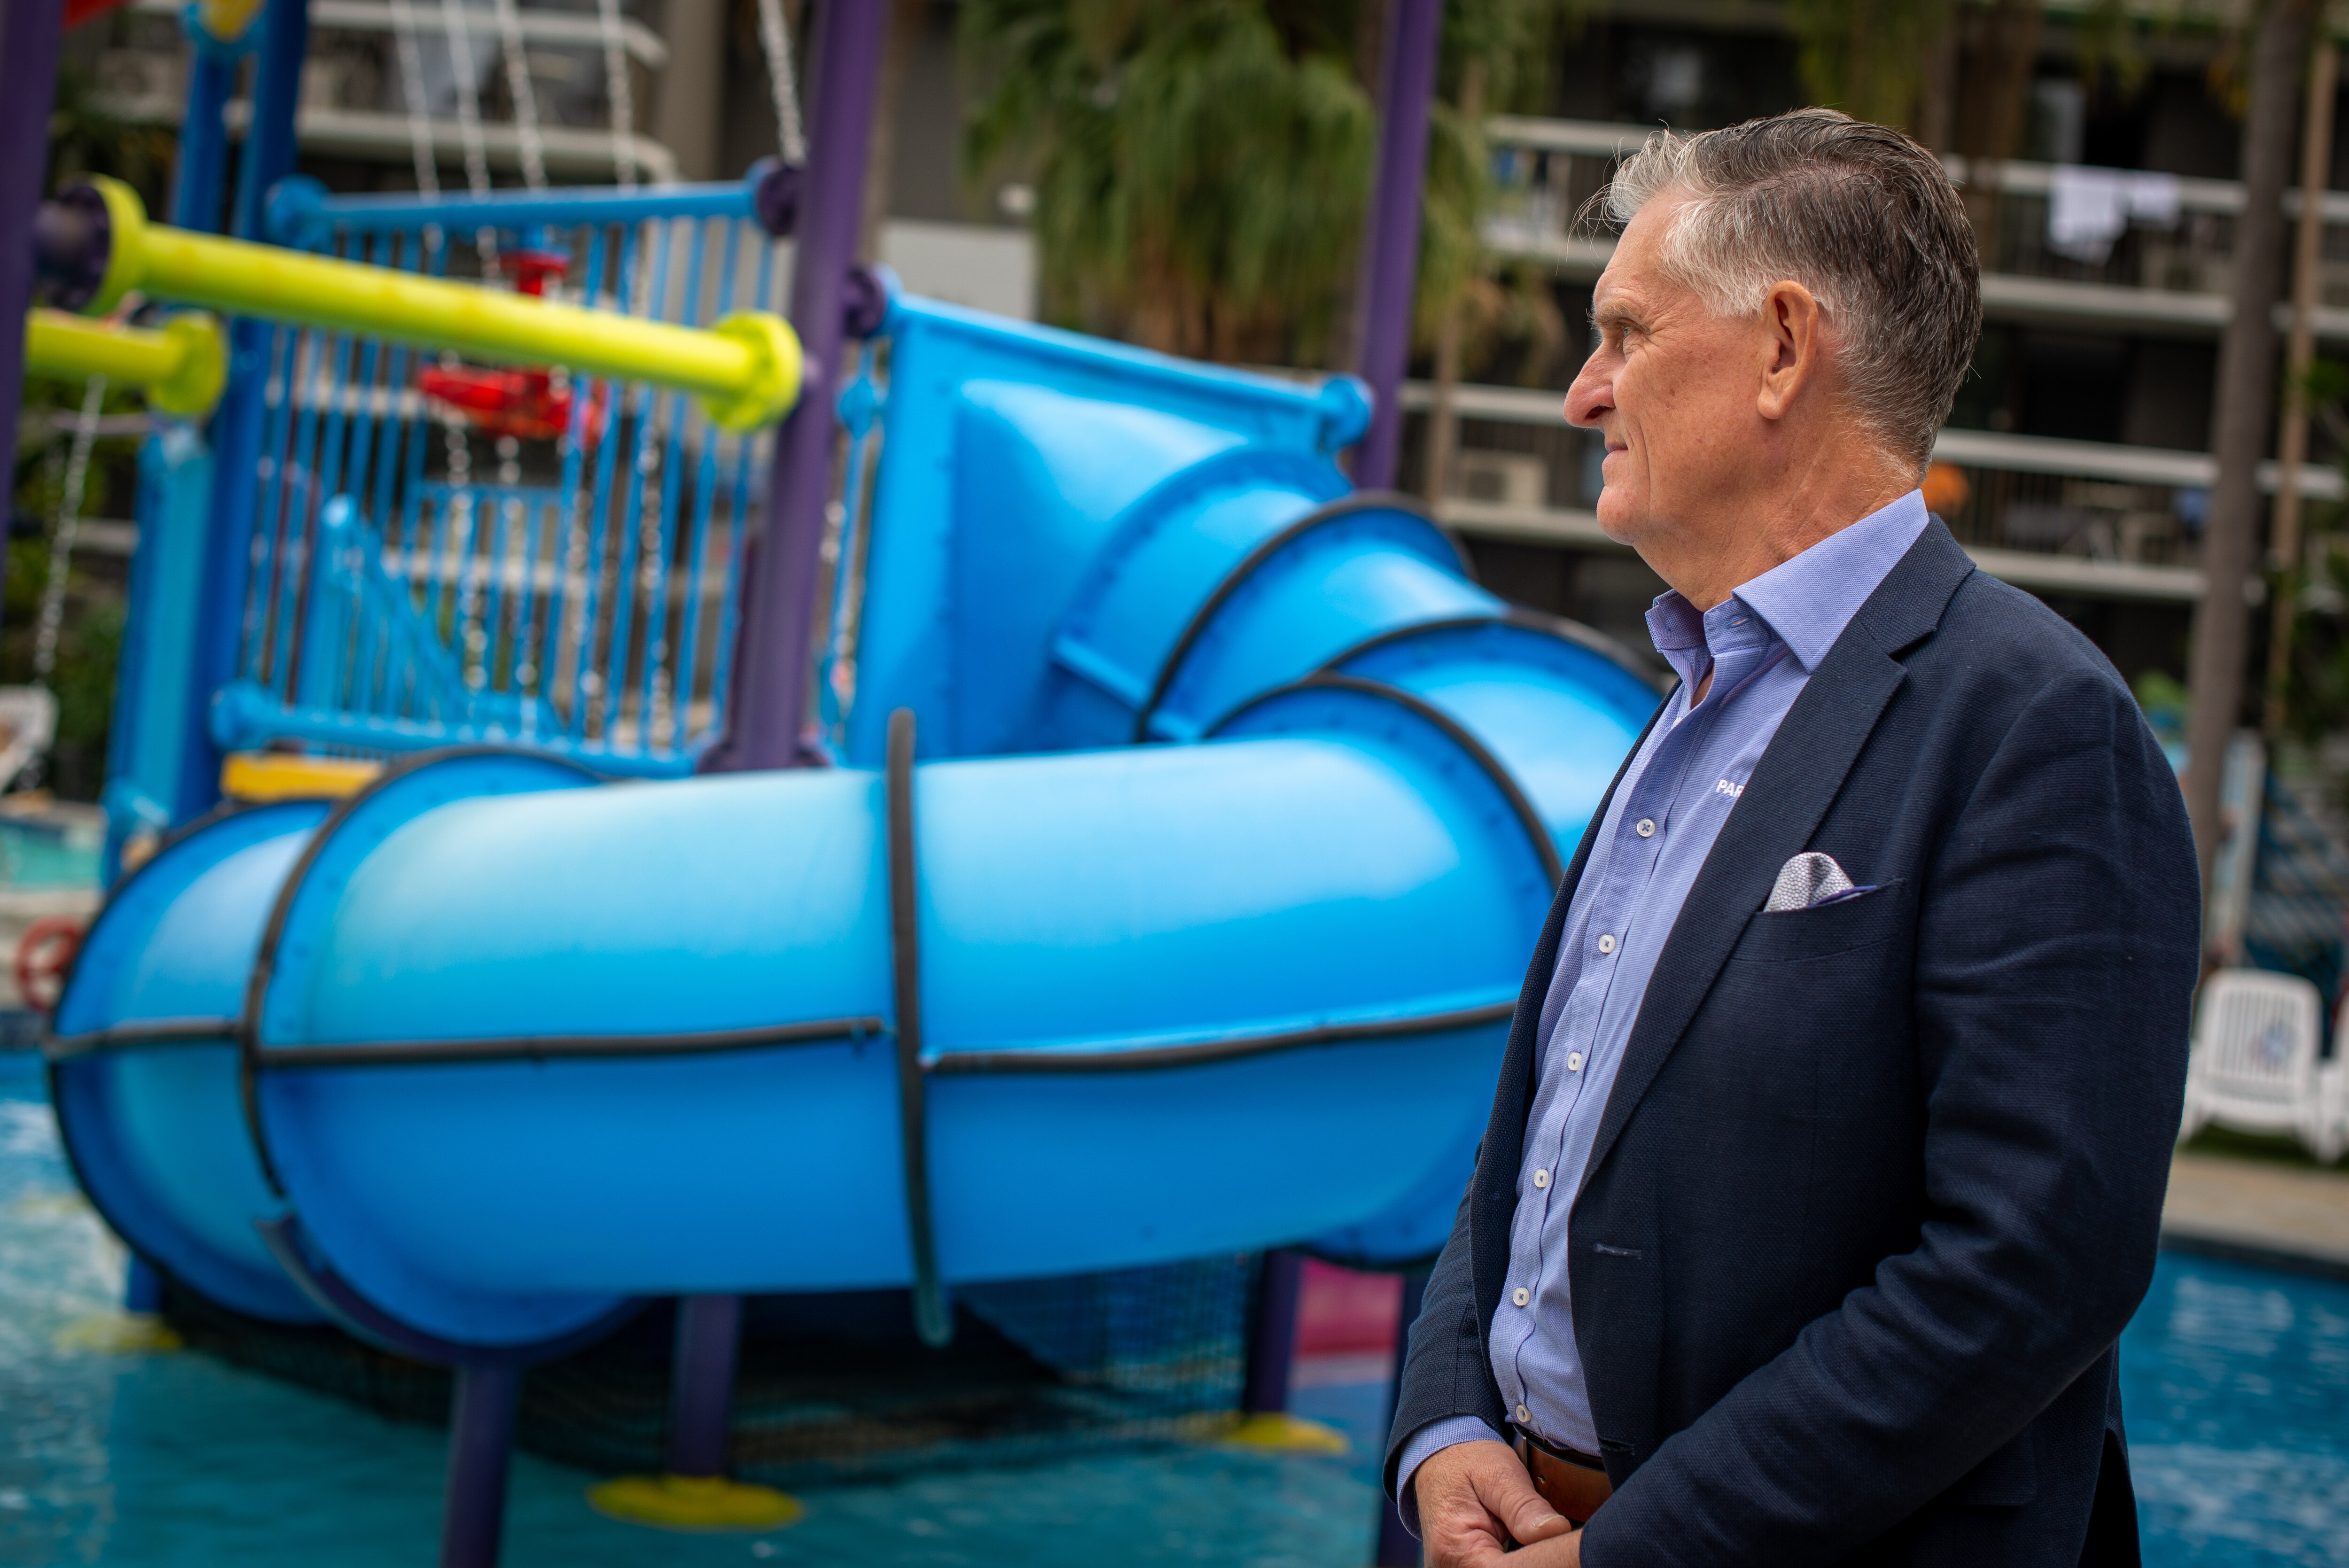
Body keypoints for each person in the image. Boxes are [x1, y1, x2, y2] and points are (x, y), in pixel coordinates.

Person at [1385, 109, 2200, 1568]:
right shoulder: (1687, 705)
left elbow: (2031, 1268)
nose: (1583, 393)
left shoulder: (2038, 727)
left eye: (1626, 333)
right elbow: (1535, 1156)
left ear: (1780, 347)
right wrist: (1443, 1431)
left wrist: (1640, 1547)